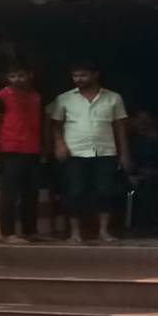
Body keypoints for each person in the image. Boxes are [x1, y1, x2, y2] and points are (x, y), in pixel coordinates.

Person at [49, 61, 131, 243]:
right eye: (75, 76)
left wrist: (124, 154)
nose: (78, 79)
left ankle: (104, 231)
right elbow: (56, 125)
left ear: (95, 75)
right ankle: (75, 233)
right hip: (74, 151)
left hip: (105, 151)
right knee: (74, 192)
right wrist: (59, 144)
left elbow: (120, 128)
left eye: (83, 75)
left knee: (105, 191)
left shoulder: (113, 98)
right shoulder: (64, 98)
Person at [0, 62, 43, 244]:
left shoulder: (36, 97)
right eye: (12, 76)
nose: (16, 80)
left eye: (21, 76)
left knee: (31, 193)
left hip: (33, 150)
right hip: (10, 150)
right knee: (9, 194)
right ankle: (8, 233)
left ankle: (31, 231)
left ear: (30, 75)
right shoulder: (0, 97)